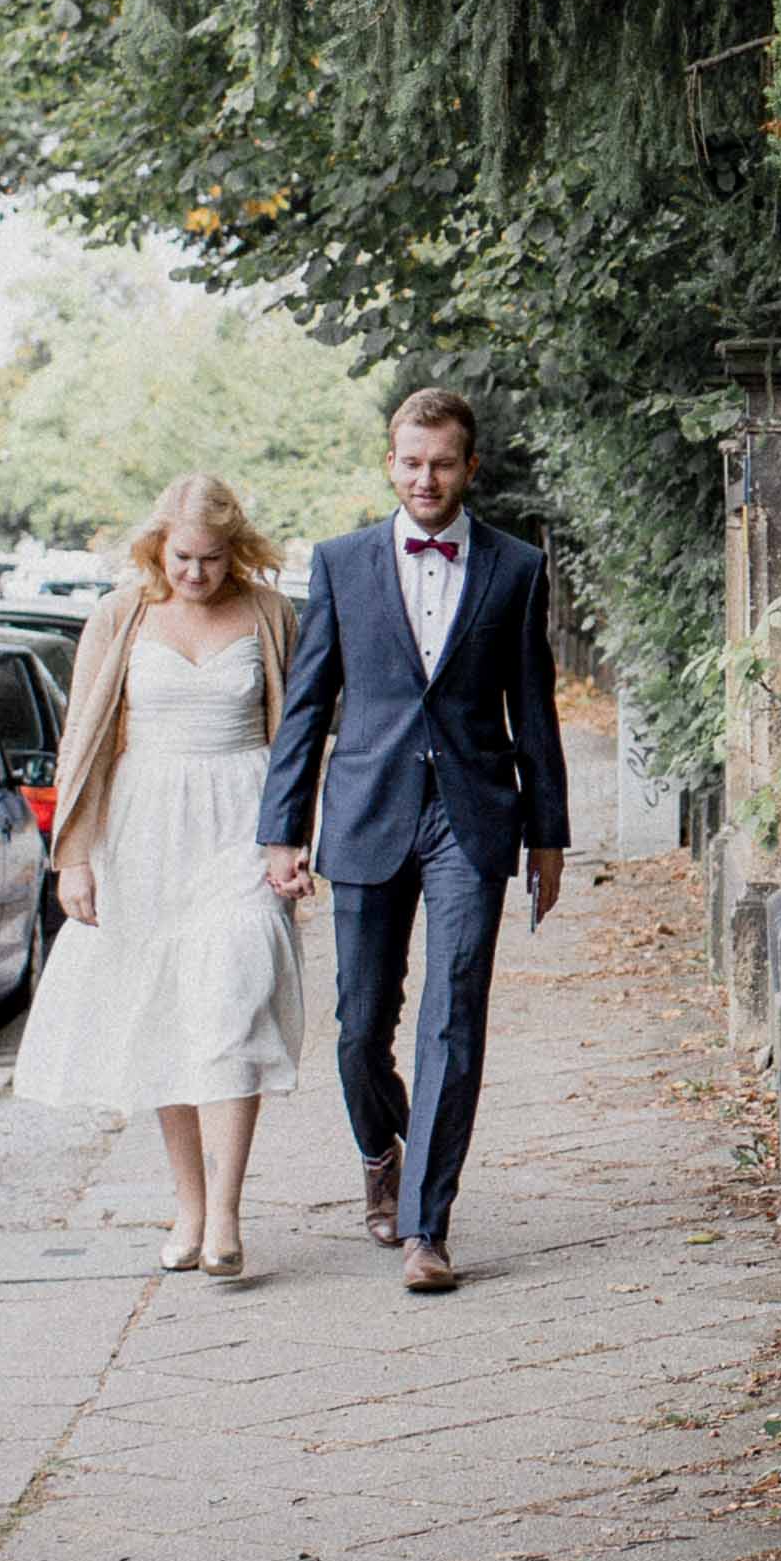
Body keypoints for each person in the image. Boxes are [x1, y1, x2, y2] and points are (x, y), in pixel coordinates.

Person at [257, 386, 570, 1293]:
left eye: (441, 463)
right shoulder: (341, 564)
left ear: (470, 468)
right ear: (389, 465)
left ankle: (428, 1228)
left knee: (455, 1015)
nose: (424, 478)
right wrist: (282, 829)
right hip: (365, 812)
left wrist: (547, 836)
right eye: (409, 462)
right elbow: (307, 707)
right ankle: (381, 1145)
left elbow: (535, 707)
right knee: (360, 1029)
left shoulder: (515, 567)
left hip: (472, 815)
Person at [21, 476, 312, 1274]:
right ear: (158, 546)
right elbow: (82, 740)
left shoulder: (269, 614)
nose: (196, 575)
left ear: (236, 551)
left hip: (241, 825)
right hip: (144, 827)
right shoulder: (121, 615)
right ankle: (186, 1207)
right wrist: (73, 856)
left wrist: (293, 835)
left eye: (213, 560)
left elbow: (299, 733)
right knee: (167, 1017)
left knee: (233, 999)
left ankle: (225, 1215)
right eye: (183, 557)